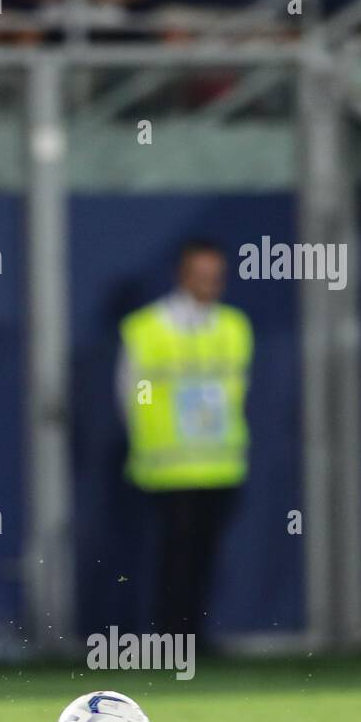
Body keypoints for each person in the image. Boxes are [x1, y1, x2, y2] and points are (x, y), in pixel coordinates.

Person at [116, 239, 252, 641]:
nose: (210, 282)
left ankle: (198, 637)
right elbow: (128, 394)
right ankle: (170, 638)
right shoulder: (147, 328)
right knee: (171, 559)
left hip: (220, 465)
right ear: (182, 274)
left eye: (216, 274)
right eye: (201, 273)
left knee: (206, 558)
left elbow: (239, 391)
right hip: (166, 468)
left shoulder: (233, 326)